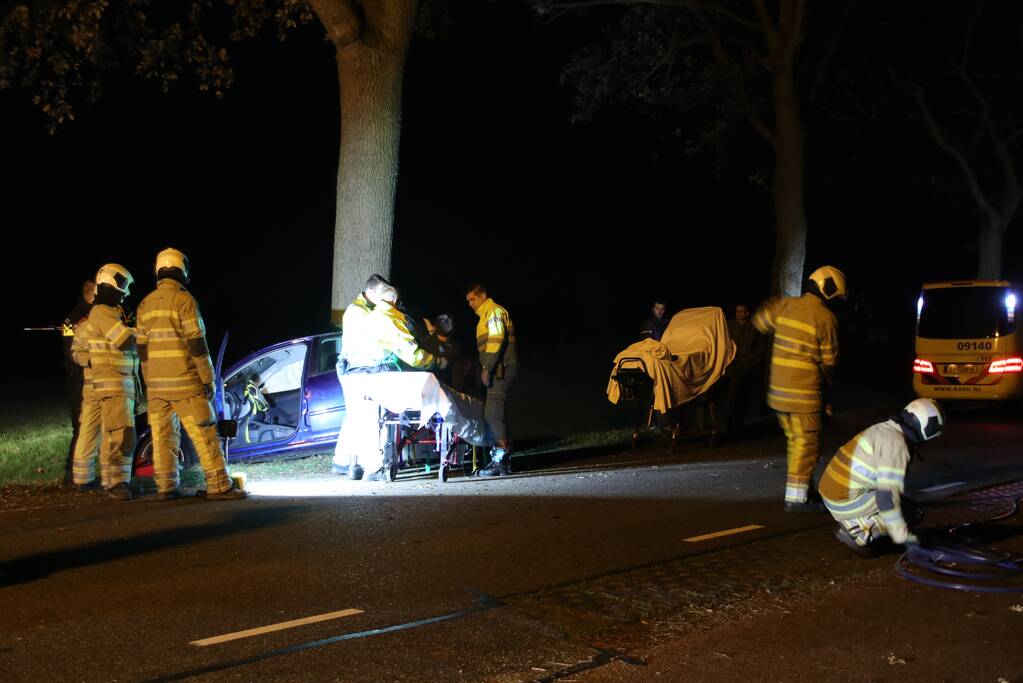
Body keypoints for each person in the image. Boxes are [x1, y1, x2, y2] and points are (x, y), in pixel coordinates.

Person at [135, 248, 246, 501]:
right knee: (204, 434)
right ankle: (219, 485)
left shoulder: (145, 305)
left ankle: (166, 486)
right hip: (186, 383)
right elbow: (197, 344)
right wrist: (208, 379)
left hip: (157, 388)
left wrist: (149, 382)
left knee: (163, 437)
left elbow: (142, 351)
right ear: (182, 271)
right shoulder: (184, 300)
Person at [752, 265, 846, 512]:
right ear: (828, 291)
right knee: (806, 446)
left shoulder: (786, 305)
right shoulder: (825, 318)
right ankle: (797, 500)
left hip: (778, 395)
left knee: (796, 444)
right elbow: (830, 364)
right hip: (804, 397)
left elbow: (760, 322)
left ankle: (805, 490)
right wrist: (831, 384)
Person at [332, 275, 438, 481]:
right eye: (383, 296)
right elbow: (392, 342)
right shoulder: (362, 312)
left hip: (356, 369)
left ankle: (345, 461)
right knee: (368, 418)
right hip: (363, 370)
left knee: (356, 416)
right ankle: (372, 467)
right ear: (370, 292)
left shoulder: (362, 309)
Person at [819, 398, 944, 557]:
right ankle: (860, 531)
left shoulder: (886, 428)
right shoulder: (898, 446)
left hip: (832, 491)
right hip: (843, 500)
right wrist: (904, 538)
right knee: (912, 512)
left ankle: (856, 522)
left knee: (904, 505)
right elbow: (887, 498)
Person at [71, 264, 140, 500]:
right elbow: (122, 342)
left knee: (106, 433)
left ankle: (97, 478)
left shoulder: (109, 315)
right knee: (108, 433)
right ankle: (109, 482)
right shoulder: (98, 316)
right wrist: (141, 332)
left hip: (104, 383)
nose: (126, 295)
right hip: (106, 383)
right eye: (124, 289)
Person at [466, 283, 517, 477]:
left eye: (473, 299)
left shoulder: (493, 312)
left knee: (493, 414)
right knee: (497, 413)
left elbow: (496, 341)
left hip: (500, 368)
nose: (470, 304)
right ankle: (505, 460)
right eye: (468, 301)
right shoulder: (487, 315)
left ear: (483, 296)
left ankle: (500, 461)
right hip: (499, 367)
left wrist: (487, 368)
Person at [62, 279, 96, 485]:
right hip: (79, 379)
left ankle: (75, 472)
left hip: (80, 378)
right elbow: (70, 351)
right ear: (91, 295)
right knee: (82, 426)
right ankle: (72, 472)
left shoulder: (85, 315)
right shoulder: (74, 319)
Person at [724, 302, 768, 435]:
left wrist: (756, 359)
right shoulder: (729, 325)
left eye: (741, 311)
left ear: (747, 312)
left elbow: (762, 345)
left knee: (743, 395)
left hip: (747, 366)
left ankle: (739, 423)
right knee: (731, 396)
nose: (739, 313)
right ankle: (728, 424)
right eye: (737, 311)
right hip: (733, 366)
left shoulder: (753, 326)